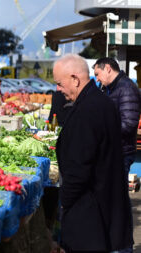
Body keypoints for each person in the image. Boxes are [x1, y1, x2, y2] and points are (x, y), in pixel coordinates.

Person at [53, 54, 133, 252]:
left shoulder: (89, 109)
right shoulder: (98, 101)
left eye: (60, 83)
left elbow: (80, 168)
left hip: (91, 214)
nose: (57, 89)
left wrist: (64, 203)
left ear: (75, 79)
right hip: (103, 207)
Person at [93, 57, 141, 185]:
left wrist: (101, 129)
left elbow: (128, 124)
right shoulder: (109, 88)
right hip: (110, 151)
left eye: (97, 74)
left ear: (108, 69)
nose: (97, 79)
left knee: (115, 196)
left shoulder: (127, 88)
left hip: (120, 153)